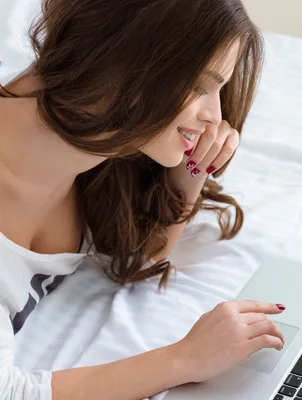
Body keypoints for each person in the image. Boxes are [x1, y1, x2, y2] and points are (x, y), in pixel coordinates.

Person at [0, 0, 286, 399]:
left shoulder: (88, 131)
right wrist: (185, 359)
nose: (215, 117)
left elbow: (140, 251)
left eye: (218, 89)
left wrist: (192, 169)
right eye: (201, 87)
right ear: (119, 59)